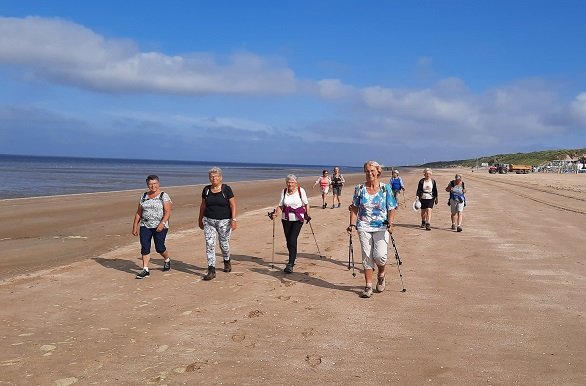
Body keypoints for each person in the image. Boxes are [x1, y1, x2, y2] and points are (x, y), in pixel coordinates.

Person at [347, 161, 397, 298]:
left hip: (382, 226)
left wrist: (391, 223)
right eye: (367, 171)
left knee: (380, 256)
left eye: (372, 171)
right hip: (363, 226)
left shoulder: (385, 188)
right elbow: (354, 208)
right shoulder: (359, 189)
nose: (370, 173)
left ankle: (381, 274)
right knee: (367, 256)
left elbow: (391, 208)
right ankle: (368, 285)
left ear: (378, 172)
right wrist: (352, 224)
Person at [198, 167, 237, 281]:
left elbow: (233, 205)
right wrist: (200, 219)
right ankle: (211, 270)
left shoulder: (226, 189)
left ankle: (226, 260)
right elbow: (203, 205)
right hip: (209, 221)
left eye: (216, 176)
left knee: (224, 244)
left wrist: (233, 220)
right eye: (211, 176)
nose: (214, 178)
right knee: (210, 244)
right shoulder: (206, 190)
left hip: (224, 221)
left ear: (221, 178)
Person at [132, 175, 172, 279]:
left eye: (155, 183)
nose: (153, 186)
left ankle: (167, 259)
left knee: (159, 247)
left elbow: (167, 212)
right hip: (145, 225)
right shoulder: (144, 196)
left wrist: (162, 224)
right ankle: (145, 269)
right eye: (150, 184)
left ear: (158, 184)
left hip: (160, 226)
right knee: (145, 246)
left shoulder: (163, 195)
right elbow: (138, 212)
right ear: (147, 185)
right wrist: (135, 226)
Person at [273, 174, 310, 274]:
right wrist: (275, 214)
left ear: (296, 183)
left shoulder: (300, 191)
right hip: (285, 219)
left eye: (292, 182)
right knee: (288, 241)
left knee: (292, 239)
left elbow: (306, 204)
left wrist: (307, 214)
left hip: (298, 219)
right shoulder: (284, 191)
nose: (290, 184)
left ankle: (290, 263)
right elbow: (280, 206)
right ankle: (292, 257)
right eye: (288, 182)